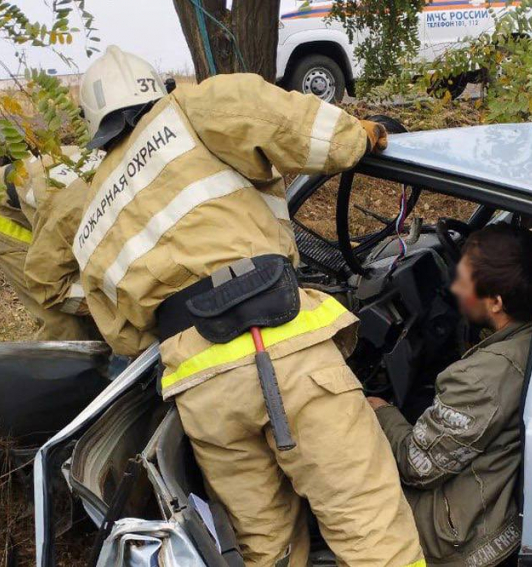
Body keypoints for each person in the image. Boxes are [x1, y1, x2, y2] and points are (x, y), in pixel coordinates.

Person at [74, 45, 424, 567]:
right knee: (366, 521)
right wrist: (361, 135)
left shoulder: (91, 214)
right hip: (280, 345)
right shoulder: (191, 108)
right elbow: (295, 126)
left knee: (268, 549)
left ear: (96, 125)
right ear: (155, 90)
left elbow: (125, 337)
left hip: (202, 389)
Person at [367, 223, 532, 567]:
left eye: (463, 281)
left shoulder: (481, 377)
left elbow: (417, 466)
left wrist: (381, 411)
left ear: (496, 302)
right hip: (501, 507)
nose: (454, 287)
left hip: (463, 540)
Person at [0, 148, 102, 340]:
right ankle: (58, 365)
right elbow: (48, 285)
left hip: (49, 202)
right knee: (65, 327)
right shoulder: (71, 216)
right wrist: (108, 307)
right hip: (7, 213)